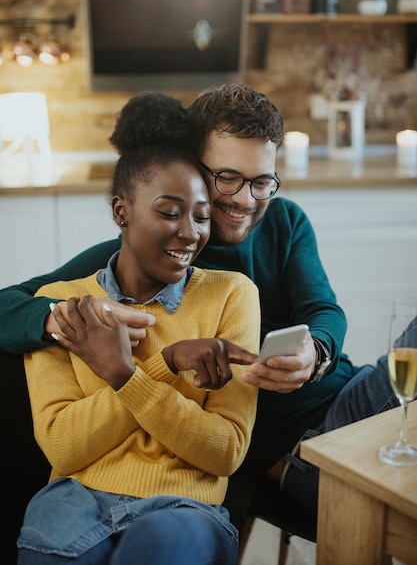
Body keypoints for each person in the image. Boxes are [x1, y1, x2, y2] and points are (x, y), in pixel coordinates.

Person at [0, 83, 399, 529]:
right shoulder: (155, 252)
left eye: (262, 182)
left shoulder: (285, 221)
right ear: (190, 164)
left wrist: (316, 353)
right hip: (305, 447)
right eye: (227, 178)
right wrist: (67, 319)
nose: (246, 200)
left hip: (359, 397)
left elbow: (324, 310)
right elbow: (8, 304)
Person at [16, 92, 260, 565]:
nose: (190, 233)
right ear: (121, 211)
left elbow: (226, 450)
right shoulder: (61, 304)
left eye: (201, 216)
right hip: (72, 504)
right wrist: (167, 363)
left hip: (184, 509)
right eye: (169, 212)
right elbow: (64, 448)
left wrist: (128, 377)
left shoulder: (232, 294)